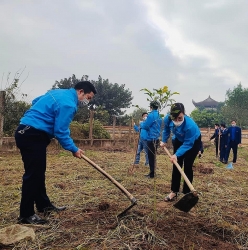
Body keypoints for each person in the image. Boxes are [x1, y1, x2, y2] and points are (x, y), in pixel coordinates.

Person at [15, 81, 97, 224]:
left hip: (28, 132)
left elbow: (36, 101)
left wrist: (40, 115)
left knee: (38, 173)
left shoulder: (57, 92)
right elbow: (61, 131)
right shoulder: (69, 104)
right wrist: (74, 149)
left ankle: (44, 206)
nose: (87, 102)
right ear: (81, 92)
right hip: (32, 135)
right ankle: (26, 215)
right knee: (33, 175)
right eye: (88, 98)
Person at [160, 103, 201, 201]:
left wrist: (176, 154)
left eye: (180, 118)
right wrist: (164, 140)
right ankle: (174, 191)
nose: (177, 121)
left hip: (193, 142)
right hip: (178, 139)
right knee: (176, 164)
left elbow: (188, 144)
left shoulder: (190, 126)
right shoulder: (167, 119)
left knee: (187, 165)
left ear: (184, 114)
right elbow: (166, 129)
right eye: (175, 118)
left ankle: (187, 192)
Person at [140, 100, 162, 178]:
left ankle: (152, 174)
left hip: (151, 138)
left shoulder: (151, 115)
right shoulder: (159, 115)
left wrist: (142, 124)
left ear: (151, 107)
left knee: (151, 157)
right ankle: (152, 172)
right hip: (156, 138)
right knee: (153, 156)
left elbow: (146, 126)